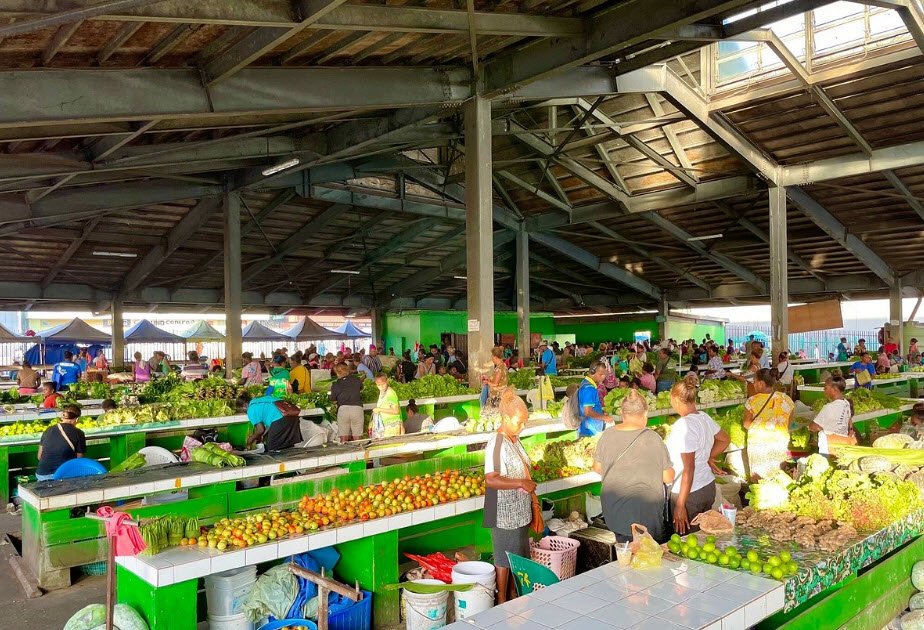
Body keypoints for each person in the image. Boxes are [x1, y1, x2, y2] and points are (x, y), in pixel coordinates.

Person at [593, 390, 675, 544]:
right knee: (648, 557)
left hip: (616, 511)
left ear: (622, 413)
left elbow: (597, 468)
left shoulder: (607, 435)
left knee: (625, 556)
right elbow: (668, 477)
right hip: (645, 513)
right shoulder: (653, 438)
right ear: (645, 414)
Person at [483, 388, 535, 604]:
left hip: (519, 510)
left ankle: (514, 594)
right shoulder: (496, 443)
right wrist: (520, 483)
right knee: (504, 557)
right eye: (518, 422)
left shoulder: (514, 439)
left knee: (517, 552)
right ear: (505, 418)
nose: (522, 427)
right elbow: (491, 479)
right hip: (501, 510)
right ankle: (502, 599)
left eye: (524, 422)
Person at [665, 379, 730, 534]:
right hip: (707, 487)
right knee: (703, 536)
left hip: (689, 494)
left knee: (687, 541)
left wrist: (680, 505)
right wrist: (707, 456)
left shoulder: (683, 426)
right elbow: (725, 439)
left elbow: (689, 468)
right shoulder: (704, 417)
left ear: (675, 399)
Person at [743, 369, 795, 479]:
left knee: (759, 479)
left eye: (754, 381)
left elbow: (746, 424)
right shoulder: (786, 399)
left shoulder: (752, 401)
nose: (753, 384)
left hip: (759, 446)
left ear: (761, 383)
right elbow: (789, 421)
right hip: (779, 443)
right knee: (779, 477)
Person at [36, 404, 86, 481]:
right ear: (77, 419)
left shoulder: (48, 430)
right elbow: (79, 459)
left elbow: (39, 456)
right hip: (63, 475)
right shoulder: (79, 433)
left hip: (42, 474)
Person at [809, 376, 855, 456]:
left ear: (835, 389)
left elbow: (812, 427)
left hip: (828, 445)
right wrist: (851, 429)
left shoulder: (829, 407)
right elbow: (849, 418)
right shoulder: (846, 403)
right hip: (843, 442)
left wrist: (819, 427)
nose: (824, 390)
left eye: (826, 388)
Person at [576, 361, 615, 438]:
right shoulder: (589, 389)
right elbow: (587, 412)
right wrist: (604, 418)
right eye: (601, 374)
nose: (603, 377)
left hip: (588, 427)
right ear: (592, 372)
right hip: (589, 430)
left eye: (604, 374)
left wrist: (601, 413)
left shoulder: (585, 383)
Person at [330, 363, 364, 442]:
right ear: (347, 370)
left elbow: (333, 400)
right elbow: (361, 388)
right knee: (357, 437)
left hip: (343, 410)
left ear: (337, 372)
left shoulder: (336, 384)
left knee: (343, 437)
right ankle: (358, 452)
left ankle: (344, 452)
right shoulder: (356, 379)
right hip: (357, 409)